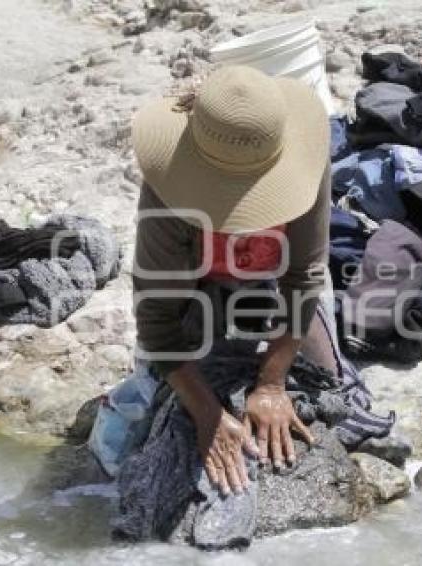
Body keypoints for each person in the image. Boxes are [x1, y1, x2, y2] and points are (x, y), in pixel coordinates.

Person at [130, 66, 333, 496]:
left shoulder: (305, 162)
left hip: (272, 289)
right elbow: (156, 318)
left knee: (327, 386)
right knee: (164, 405)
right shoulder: (167, 192)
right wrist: (208, 413)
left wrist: (272, 383)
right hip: (198, 295)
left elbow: (304, 278)